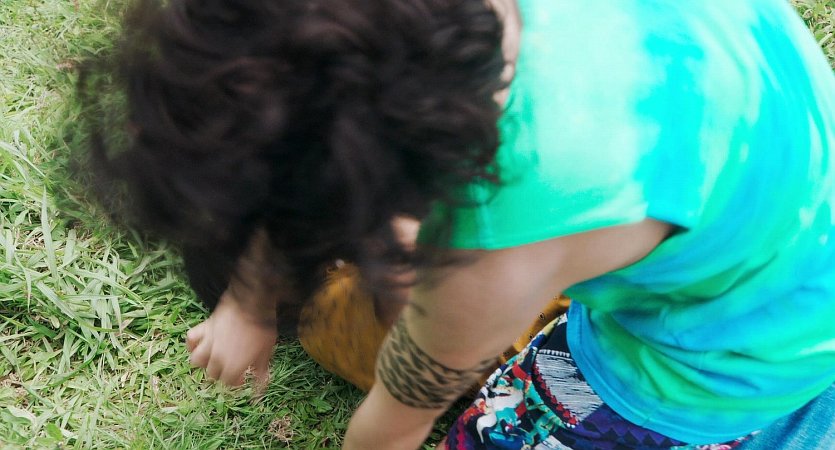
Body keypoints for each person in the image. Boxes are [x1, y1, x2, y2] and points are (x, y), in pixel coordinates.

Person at [79, 0, 835, 448]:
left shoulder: (492, 257)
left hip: (730, 355)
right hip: (779, 182)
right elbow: (307, 63)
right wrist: (248, 303)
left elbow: (393, 425)